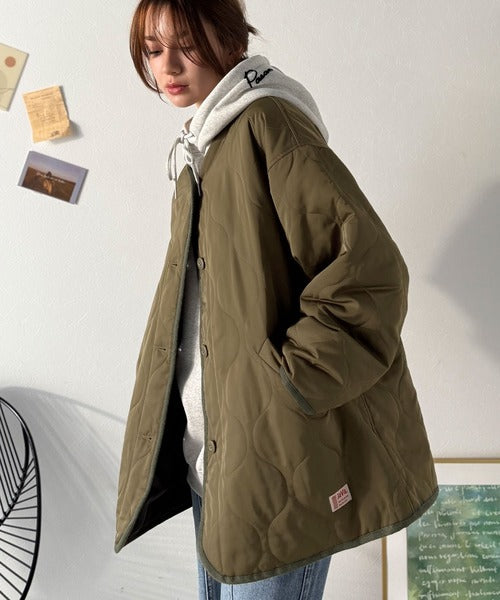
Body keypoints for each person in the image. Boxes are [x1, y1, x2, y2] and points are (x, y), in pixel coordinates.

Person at [115, 1, 438, 598]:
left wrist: (288, 385)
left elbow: (368, 274)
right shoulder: (199, 147)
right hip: (215, 457)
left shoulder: (269, 124)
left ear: (229, 37)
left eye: (186, 44)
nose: (168, 66)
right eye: (153, 51)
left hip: (275, 454)